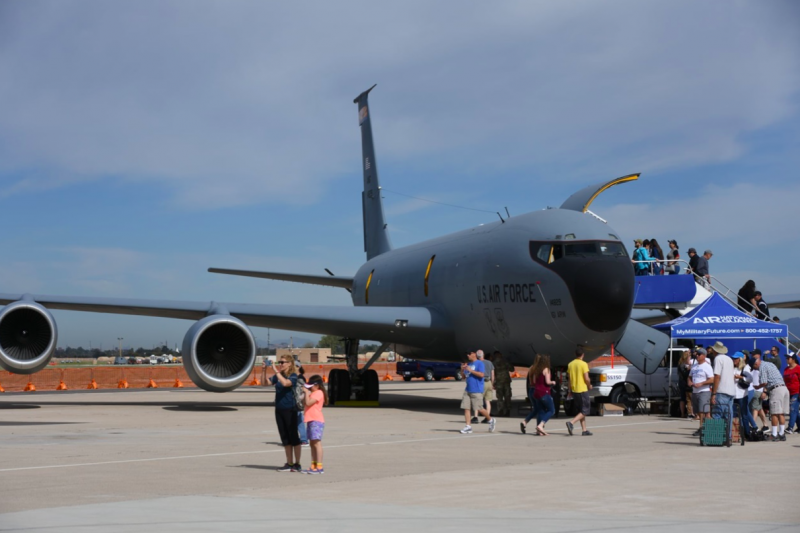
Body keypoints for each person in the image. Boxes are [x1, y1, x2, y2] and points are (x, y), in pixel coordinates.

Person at [270, 354, 302, 471]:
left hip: (290, 409)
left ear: (289, 363)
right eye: (279, 362)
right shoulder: (279, 375)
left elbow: (286, 383)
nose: (280, 364)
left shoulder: (293, 375)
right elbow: (265, 383)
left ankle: (297, 463)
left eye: (282, 362)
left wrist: (276, 372)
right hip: (279, 409)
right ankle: (289, 463)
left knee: (293, 437)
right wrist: (264, 370)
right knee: (285, 438)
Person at [460, 351, 495, 434]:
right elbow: (464, 376)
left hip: (476, 390)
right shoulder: (469, 364)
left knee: (479, 408)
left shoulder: (479, 363)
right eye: (467, 354)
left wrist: (471, 370)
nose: (467, 355)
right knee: (466, 408)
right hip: (468, 389)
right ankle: (468, 426)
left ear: (474, 354)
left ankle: (491, 420)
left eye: (469, 353)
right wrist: (462, 370)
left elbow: (481, 375)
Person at [756, 357, 789, 441]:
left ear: (756, 364)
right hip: (784, 388)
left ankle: (774, 434)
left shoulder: (762, 367)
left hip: (776, 390)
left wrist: (757, 387)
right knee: (781, 413)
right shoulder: (770, 364)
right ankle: (781, 433)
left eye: (755, 367)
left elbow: (764, 382)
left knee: (774, 413)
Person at [301, 374, 327, 474]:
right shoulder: (313, 392)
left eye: (311, 387)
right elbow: (305, 403)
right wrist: (305, 394)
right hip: (311, 420)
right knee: (312, 443)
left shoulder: (318, 393)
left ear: (317, 385)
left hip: (317, 421)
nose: (309, 388)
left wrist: (306, 393)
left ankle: (319, 467)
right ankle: (313, 465)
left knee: (317, 443)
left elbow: (308, 403)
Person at [566, 347, 592, 436]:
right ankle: (571, 422)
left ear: (575, 354)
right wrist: (589, 385)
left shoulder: (570, 364)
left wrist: (569, 390)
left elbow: (569, 379)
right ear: (583, 355)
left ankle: (584, 430)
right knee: (585, 411)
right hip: (582, 390)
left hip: (574, 390)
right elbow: (586, 378)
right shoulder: (584, 364)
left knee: (581, 411)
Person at [689, 348, 714, 436]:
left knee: (703, 411)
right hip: (695, 391)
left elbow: (711, 379)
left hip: (704, 391)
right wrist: (690, 382)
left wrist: (701, 383)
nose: (697, 356)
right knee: (700, 412)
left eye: (699, 354)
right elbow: (689, 376)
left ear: (704, 356)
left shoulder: (707, 366)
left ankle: (701, 428)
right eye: (696, 354)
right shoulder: (694, 366)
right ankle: (712, 427)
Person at [732, 352, 756, 437]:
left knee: (744, 414)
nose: (734, 360)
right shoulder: (732, 368)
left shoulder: (745, 368)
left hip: (742, 394)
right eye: (733, 358)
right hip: (733, 394)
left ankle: (747, 432)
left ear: (740, 359)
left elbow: (750, 378)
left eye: (736, 358)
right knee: (734, 415)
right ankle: (735, 432)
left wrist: (740, 377)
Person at [520, 356, 540, 433]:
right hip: (536, 389)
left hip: (531, 390)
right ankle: (539, 427)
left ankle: (525, 422)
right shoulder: (537, 369)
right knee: (540, 409)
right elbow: (535, 380)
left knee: (536, 409)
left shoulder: (531, 367)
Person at [474, 350, 494, 423]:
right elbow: (492, 374)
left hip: (481, 382)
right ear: (483, 355)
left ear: (476, 355)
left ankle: (476, 417)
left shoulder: (476, 363)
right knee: (487, 401)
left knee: (477, 400)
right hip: (488, 382)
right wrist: (492, 383)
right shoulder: (489, 362)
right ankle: (487, 417)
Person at [782, 354, 800, 435]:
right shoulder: (786, 369)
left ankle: (790, 427)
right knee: (795, 411)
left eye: (788, 358)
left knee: (792, 409)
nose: (786, 359)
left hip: (797, 392)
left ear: (793, 359)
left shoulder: (798, 368)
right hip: (788, 392)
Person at [493, 351, 513, 417]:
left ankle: (500, 411)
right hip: (506, 382)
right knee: (507, 397)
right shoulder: (505, 361)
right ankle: (508, 411)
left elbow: (492, 373)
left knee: (500, 398)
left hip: (498, 382)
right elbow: (512, 369)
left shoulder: (493, 363)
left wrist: (493, 382)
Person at [677, 350, 694, 419]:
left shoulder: (682, 363)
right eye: (689, 356)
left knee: (685, 398)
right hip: (684, 383)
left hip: (683, 382)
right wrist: (689, 369)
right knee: (685, 398)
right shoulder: (682, 364)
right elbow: (685, 374)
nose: (690, 358)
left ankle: (685, 412)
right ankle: (684, 412)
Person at [297, 366, 309, 447]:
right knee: (298, 421)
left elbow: (304, 390)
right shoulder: (296, 377)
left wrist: (301, 400)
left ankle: (304, 440)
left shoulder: (300, 378)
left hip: (297, 403)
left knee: (299, 421)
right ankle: (303, 439)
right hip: (296, 402)